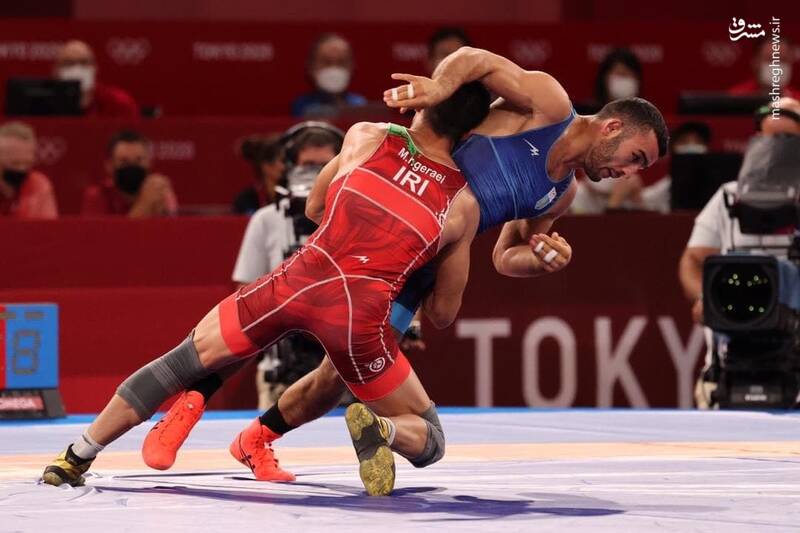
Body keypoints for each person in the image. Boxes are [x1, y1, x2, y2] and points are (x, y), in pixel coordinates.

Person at [43, 47, 667, 496]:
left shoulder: (558, 195)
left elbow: (508, 255)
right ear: (613, 126)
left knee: (321, 374)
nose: (629, 173)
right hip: (427, 232)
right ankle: (196, 402)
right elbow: (474, 60)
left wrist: (542, 261)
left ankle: (246, 437)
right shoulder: (549, 104)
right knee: (351, 358)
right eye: (635, 157)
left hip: (395, 245)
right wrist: (437, 89)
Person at [678, 97, 800, 408]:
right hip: (728, 369)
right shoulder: (728, 198)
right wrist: (702, 299)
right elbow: (693, 260)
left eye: (789, 139)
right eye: (771, 138)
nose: (778, 147)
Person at [81, 130, 178, 217]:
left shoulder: (156, 193)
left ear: (149, 162)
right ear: (109, 165)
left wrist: (168, 208)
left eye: (139, 160)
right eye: (124, 161)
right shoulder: (96, 196)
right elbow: (105, 232)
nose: (132, 167)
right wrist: (145, 203)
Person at [53, 40, 139, 118]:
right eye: (69, 63)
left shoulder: (119, 103)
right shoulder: (48, 107)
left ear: (95, 68)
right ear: (56, 70)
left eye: (84, 62)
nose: (77, 68)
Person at [291, 34, 366, 118]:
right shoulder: (302, 106)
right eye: (326, 62)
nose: (334, 68)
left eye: (341, 62)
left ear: (352, 66)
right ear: (311, 66)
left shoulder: (360, 105)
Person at [0, 121, 58, 219]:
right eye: (15, 163)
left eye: (27, 163)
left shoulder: (39, 185)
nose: (21, 169)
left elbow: (48, 226)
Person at [728, 37, 800, 100]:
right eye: (770, 59)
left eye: (783, 60)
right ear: (755, 62)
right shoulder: (736, 97)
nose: (776, 66)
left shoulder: (797, 101)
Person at [232, 135, 286, 215]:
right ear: (265, 165)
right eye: (282, 161)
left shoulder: (292, 197)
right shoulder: (246, 200)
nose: (284, 167)